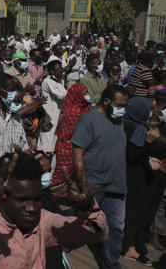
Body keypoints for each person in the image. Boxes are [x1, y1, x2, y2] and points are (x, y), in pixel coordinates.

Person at [0, 151, 108, 268]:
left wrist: (89, 206)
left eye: (37, 199)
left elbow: (96, 233)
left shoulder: (43, 221)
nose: (32, 208)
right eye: (22, 200)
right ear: (3, 195)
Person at [71, 85, 129, 269]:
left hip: (116, 184)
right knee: (81, 223)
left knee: (116, 228)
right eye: (119, 105)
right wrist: (82, 182)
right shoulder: (89, 120)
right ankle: (58, 248)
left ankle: (111, 263)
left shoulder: (118, 119)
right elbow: (77, 152)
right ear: (106, 102)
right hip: (93, 185)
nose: (122, 110)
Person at [122, 95, 166, 264]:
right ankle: (129, 246)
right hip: (134, 177)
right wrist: (147, 143)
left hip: (139, 174)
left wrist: (146, 157)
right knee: (134, 210)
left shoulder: (136, 126)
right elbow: (133, 154)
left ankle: (135, 244)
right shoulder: (133, 128)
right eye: (148, 109)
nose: (151, 113)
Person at [50, 83, 92, 197]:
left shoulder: (85, 107)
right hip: (68, 146)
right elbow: (73, 133)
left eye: (87, 92)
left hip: (78, 146)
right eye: (84, 93)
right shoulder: (73, 112)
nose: (87, 95)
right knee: (64, 173)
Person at [38, 60, 67, 153]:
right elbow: (60, 94)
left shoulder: (60, 80)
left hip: (57, 114)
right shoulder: (47, 81)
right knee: (47, 144)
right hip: (48, 116)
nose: (60, 71)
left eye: (61, 68)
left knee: (55, 142)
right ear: (52, 72)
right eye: (57, 69)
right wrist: (59, 81)